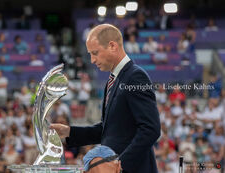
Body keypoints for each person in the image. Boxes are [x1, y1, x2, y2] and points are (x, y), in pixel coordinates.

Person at [51, 24, 161, 173]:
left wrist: (118, 164)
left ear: (112, 46)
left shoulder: (136, 77)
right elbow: (108, 130)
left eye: (95, 53)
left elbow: (151, 129)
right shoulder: (113, 79)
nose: (92, 60)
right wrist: (69, 132)